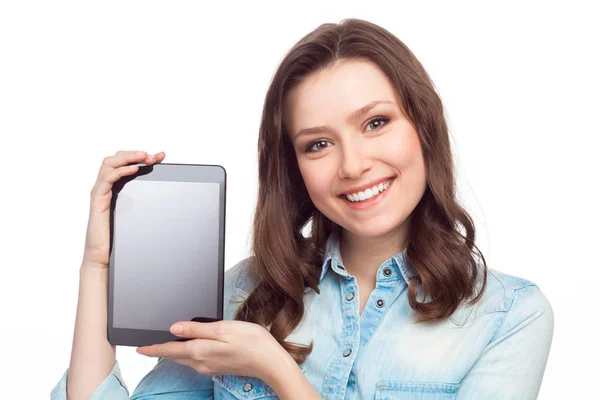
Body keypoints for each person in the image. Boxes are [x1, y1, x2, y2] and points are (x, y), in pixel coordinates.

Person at [51, 18, 554, 400]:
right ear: (294, 166)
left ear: (423, 126)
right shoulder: (246, 294)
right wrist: (97, 266)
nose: (354, 165)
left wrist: (278, 371)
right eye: (318, 144)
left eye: (375, 123)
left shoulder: (508, 317)